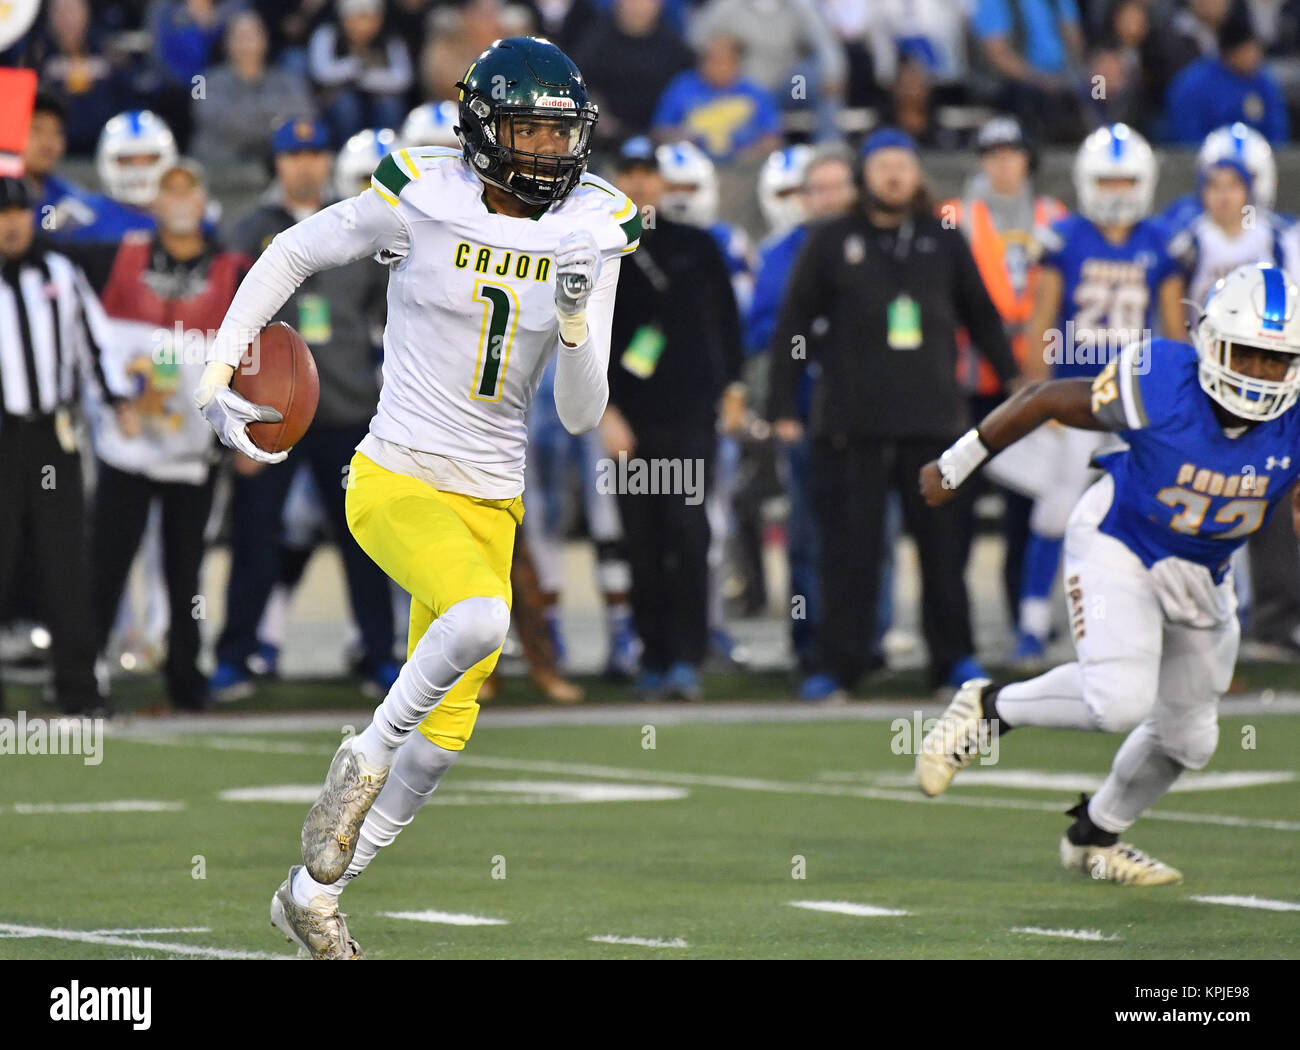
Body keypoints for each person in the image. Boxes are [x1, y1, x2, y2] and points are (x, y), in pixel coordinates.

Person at [194, 37, 638, 959]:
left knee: (440, 752)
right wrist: (216, 364)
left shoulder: (592, 228)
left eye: (561, 136)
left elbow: (581, 412)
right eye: (527, 130)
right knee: (479, 623)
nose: (548, 153)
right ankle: (359, 758)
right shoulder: (422, 195)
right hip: (396, 474)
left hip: (493, 500)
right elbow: (294, 249)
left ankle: (314, 892)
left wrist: (579, 319)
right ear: (481, 129)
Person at [917, 261, 1300, 884]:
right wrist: (957, 463)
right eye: (1247, 353)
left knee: (1189, 740)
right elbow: (1042, 399)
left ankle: (1094, 837)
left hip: (1204, 570)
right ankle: (991, 707)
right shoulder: (1162, 382)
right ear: (1211, 344)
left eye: (1275, 360)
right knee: (1118, 700)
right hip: (1119, 538)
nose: (1258, 373)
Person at [767, 128, 1021, 700]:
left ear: (919, 173)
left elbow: (981, 316)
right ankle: (839, 665)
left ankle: (953, 659)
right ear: (864, 176)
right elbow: (793, 326)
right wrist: (781, 404)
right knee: (848, 553)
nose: (893, 175)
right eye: (882, 165)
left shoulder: (944, 238)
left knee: (944, 551)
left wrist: (1013, 383)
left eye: (903, 164)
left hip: (933, 423)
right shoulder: (832, 241)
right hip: (850, 425)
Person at [208, 116, 397, 703]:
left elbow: (383, 315)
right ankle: (236, 657)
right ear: (278, 163)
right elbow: (226, 319)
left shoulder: (352, 224)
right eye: (295, 154)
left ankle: (377, 654)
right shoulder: (247, 232)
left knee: (364, 541)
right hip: (267, 411)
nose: (306, 164)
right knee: (256, 537)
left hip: (345, 406)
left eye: (316, 153)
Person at [991, 123, 1184, 663]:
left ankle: (1158, 625)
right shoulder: (1065, 238)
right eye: (1108, 179)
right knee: (1055, 511)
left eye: (1126, 180)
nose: (1118, 190)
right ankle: (1031, 624)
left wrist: (1178, 401)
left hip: (1141, 400)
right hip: (1079, 397)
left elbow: (1174, 331)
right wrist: (1037, 391)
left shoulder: (1161, 242)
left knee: (1154, 512)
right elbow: (1042, 320)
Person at [89, 159, 251, 712]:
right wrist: (109, 397)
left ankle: (186, 678)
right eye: (170, 190)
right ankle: (82, 673)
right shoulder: (120, 255)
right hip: (127, 444)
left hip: (193, 449)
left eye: (190, 189)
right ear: (154, 202)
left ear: (205, 201)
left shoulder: (234, 268)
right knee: (107, 561)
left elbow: (259, 350)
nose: (180, 200)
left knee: (186, 572)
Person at [603, 139, 742, 699]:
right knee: (641, 537)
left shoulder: (697, 246)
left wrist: (733, 389)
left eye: (648, 173)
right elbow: (579, 339)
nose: (640, 183)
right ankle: (652, 654)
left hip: (689, 416)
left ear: (662, 182)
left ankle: (688, 655)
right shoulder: (599, 250)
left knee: (688, 530)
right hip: (629, 422)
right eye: (630, 172)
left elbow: (726, 323)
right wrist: (605, 412)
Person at [0, 176, 128, 715]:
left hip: (53, 435)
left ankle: (79, 686)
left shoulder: (59, 272)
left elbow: (94, 343)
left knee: (67, 563)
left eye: (19, 213)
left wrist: (120, 398)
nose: (11, 223)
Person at [943, 116, 1067, 660]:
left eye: (1012, 152)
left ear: (1028, 159)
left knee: (1029, 504)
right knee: (958, 510)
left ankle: (1027, 621)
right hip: (972, 380)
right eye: (992, 153)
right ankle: (958, 629)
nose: (1003, 163)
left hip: (1033, 380)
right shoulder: (956, 219)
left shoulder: (1054, 218)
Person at [748, 143, 857, 673]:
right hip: (811, 405)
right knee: (809, 533)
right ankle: (810, 643)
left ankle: (867, 638)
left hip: (866, 408)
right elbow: (764, 329)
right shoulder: (779, 253)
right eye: (811, 190)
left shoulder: (871, 241)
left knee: (870, 533)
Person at [189, 10, 317, 169]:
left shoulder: (289, 80)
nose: (246, 44)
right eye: (240, 37)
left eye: (251, 36)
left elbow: (306, 114)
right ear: (227, 42)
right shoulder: (202, 79)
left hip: (274, 167)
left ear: (265, 40)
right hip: (220, 166)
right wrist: (275, 122)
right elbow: (206, 116)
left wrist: (242, 114)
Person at [1164, 0, 1290, 144]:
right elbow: (1187, 138)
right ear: (1230, 53)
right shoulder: (1193, 85)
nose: (1254, 56)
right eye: (1247, 50)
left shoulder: (1263, 82)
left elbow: (1277, 134)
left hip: (1257, 160)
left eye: (1256, 49)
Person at [650, 32, 784, 164]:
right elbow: (659, 131)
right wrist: (681, 141)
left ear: (736, 63)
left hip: (744, 170)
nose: (714, 67)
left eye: (722, 61)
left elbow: (773, 137)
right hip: (693, 167)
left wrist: (750, 154)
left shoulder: (756, 93)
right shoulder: (682, 87)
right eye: (709, 59)